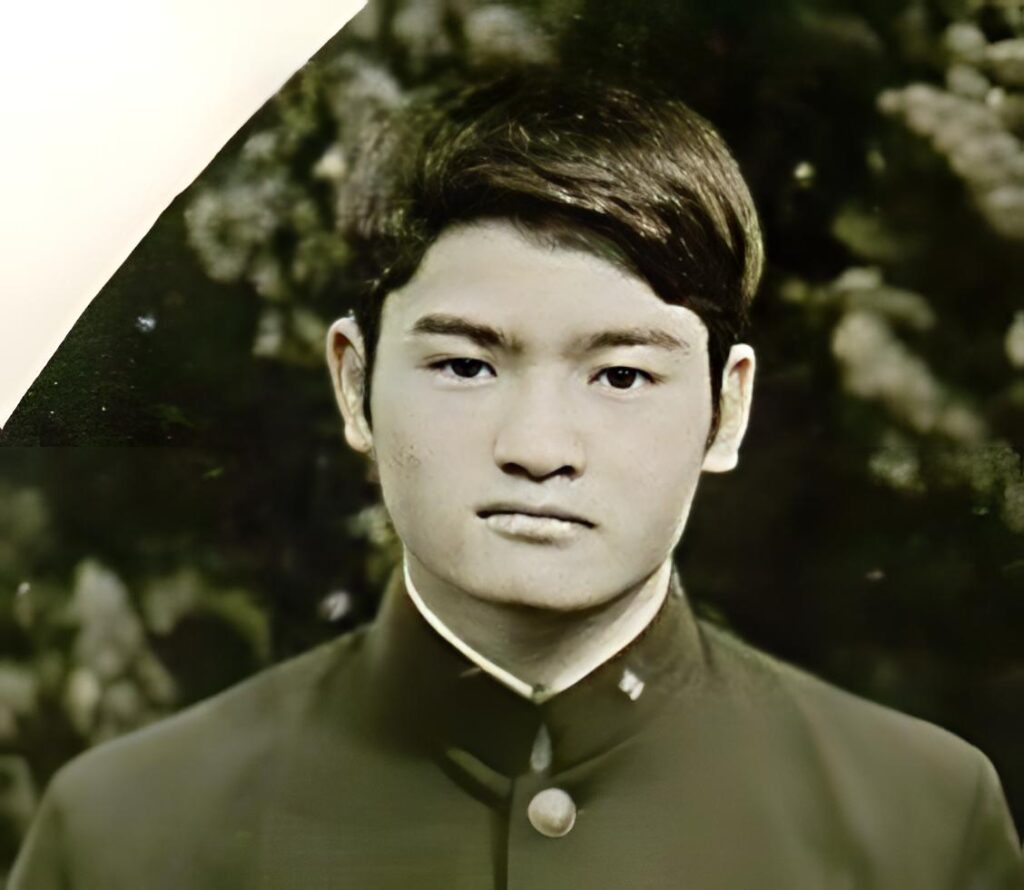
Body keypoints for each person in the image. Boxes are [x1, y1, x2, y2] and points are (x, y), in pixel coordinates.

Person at [10, 71, 1023, 890]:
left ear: (728, 409)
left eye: (620, 376)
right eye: (465, 366)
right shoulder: (130, 830)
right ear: (355, 385)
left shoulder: (918, 821)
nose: (539, 446)